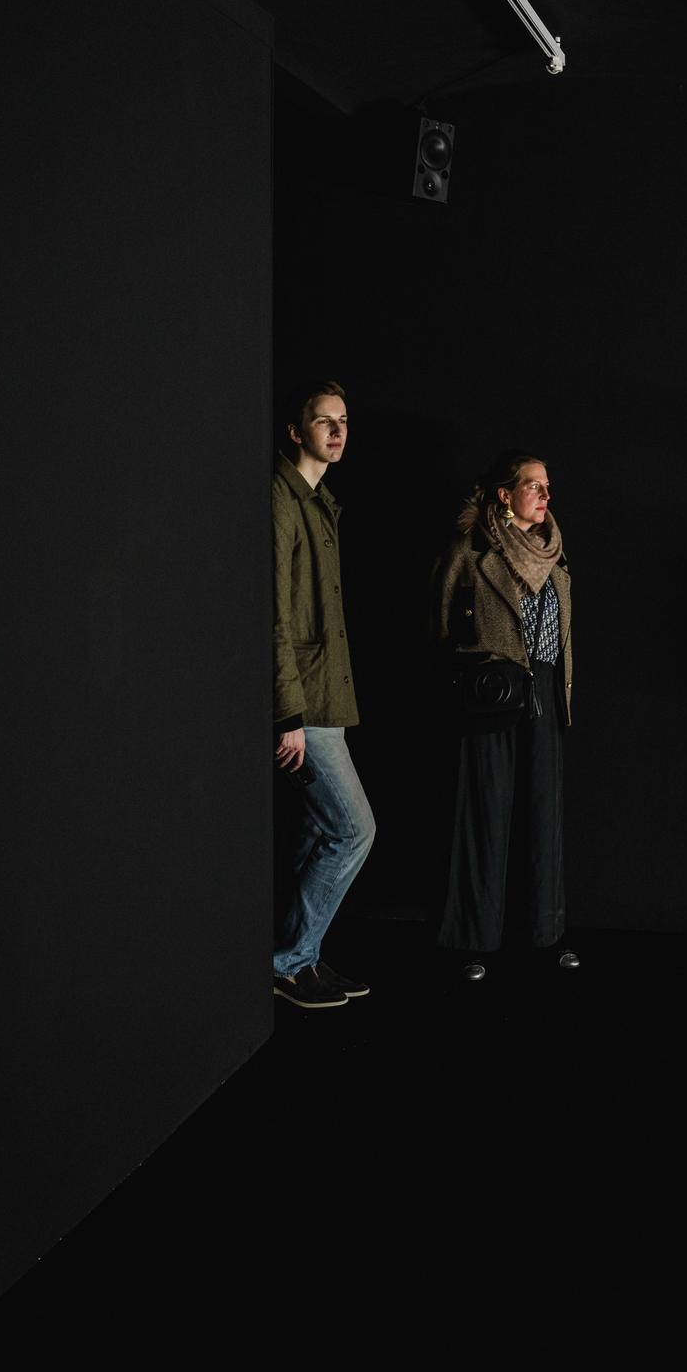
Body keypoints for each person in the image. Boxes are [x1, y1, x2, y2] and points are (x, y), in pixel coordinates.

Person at [431, 451, 577, 981]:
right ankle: (473, 941)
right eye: (533, 485)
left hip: (545, 695)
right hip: (489, 696)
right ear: (504, 494)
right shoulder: (470, 552)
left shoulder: (554, 554)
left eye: (547, 486)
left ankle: (544, 936)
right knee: (484, 816)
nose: (545, 495)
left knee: (543, 817)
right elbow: (440, 627)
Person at [272, 380, 376, 1008]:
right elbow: (273, 616)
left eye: (343, 421)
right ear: (295, 431)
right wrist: (287, 711)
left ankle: (299, 958)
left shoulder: (320, 503)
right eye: (323, 421)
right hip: (304, 704)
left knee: (316, 835)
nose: (337, 431)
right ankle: (289, 961)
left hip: (327, 699)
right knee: (354, 830)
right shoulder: (280, 499)